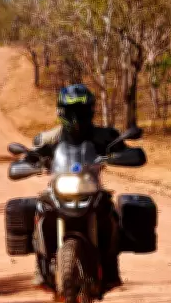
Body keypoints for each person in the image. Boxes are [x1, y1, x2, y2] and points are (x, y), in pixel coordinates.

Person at [31, 84, 123, 292]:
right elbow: (31, 153)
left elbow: (120, 148)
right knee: (39, 209)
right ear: (61, 112)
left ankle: (111, 267)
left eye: (81, 111)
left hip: (91, 186)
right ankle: (41, 267)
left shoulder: (104, 135)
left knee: (111, 213)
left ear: (90, 111)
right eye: (71, 111)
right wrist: (28, 161)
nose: (76, 116)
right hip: (60, 186)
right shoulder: (49, 138)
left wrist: (122, 154)